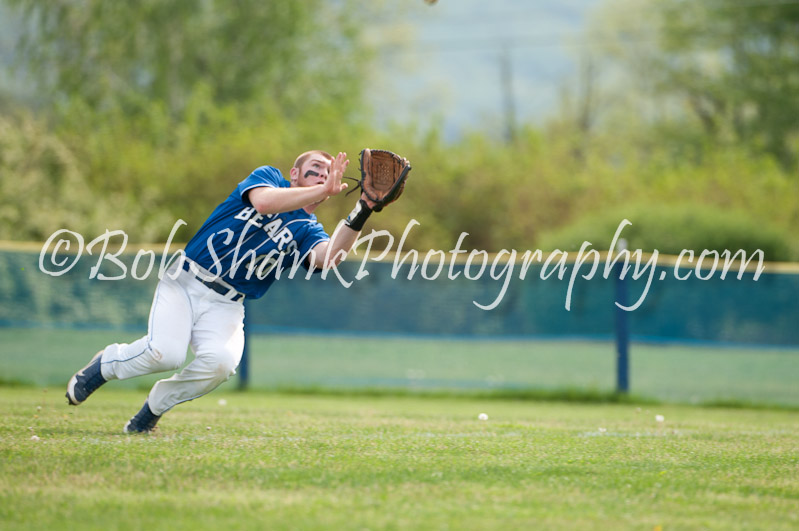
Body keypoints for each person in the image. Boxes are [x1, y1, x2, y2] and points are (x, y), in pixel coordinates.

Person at [66, 150, 379, 432]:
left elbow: (327, 258)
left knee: (221, 363)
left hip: (227, 303)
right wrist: (322, 190)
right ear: (294, 174)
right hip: (186, 281)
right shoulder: (268, 177)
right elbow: (263, 203)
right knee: (165, 354)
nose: (324, 173)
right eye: (315, 167)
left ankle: (151, 411)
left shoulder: (308, 229)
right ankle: (105, 364)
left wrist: (363, 209)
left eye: (328, 171)